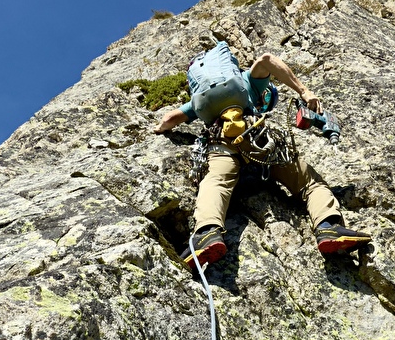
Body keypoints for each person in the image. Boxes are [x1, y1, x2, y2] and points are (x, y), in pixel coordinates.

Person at [155, 50, 371, 270]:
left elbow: (169, 119)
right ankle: (328, 227)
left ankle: (207, 233)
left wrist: (158, 129)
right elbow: (267, 59)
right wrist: (304, 91)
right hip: (257, 140)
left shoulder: (201, 99)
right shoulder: (248, 82)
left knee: (215, 182)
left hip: (221, 143)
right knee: (309, 182)